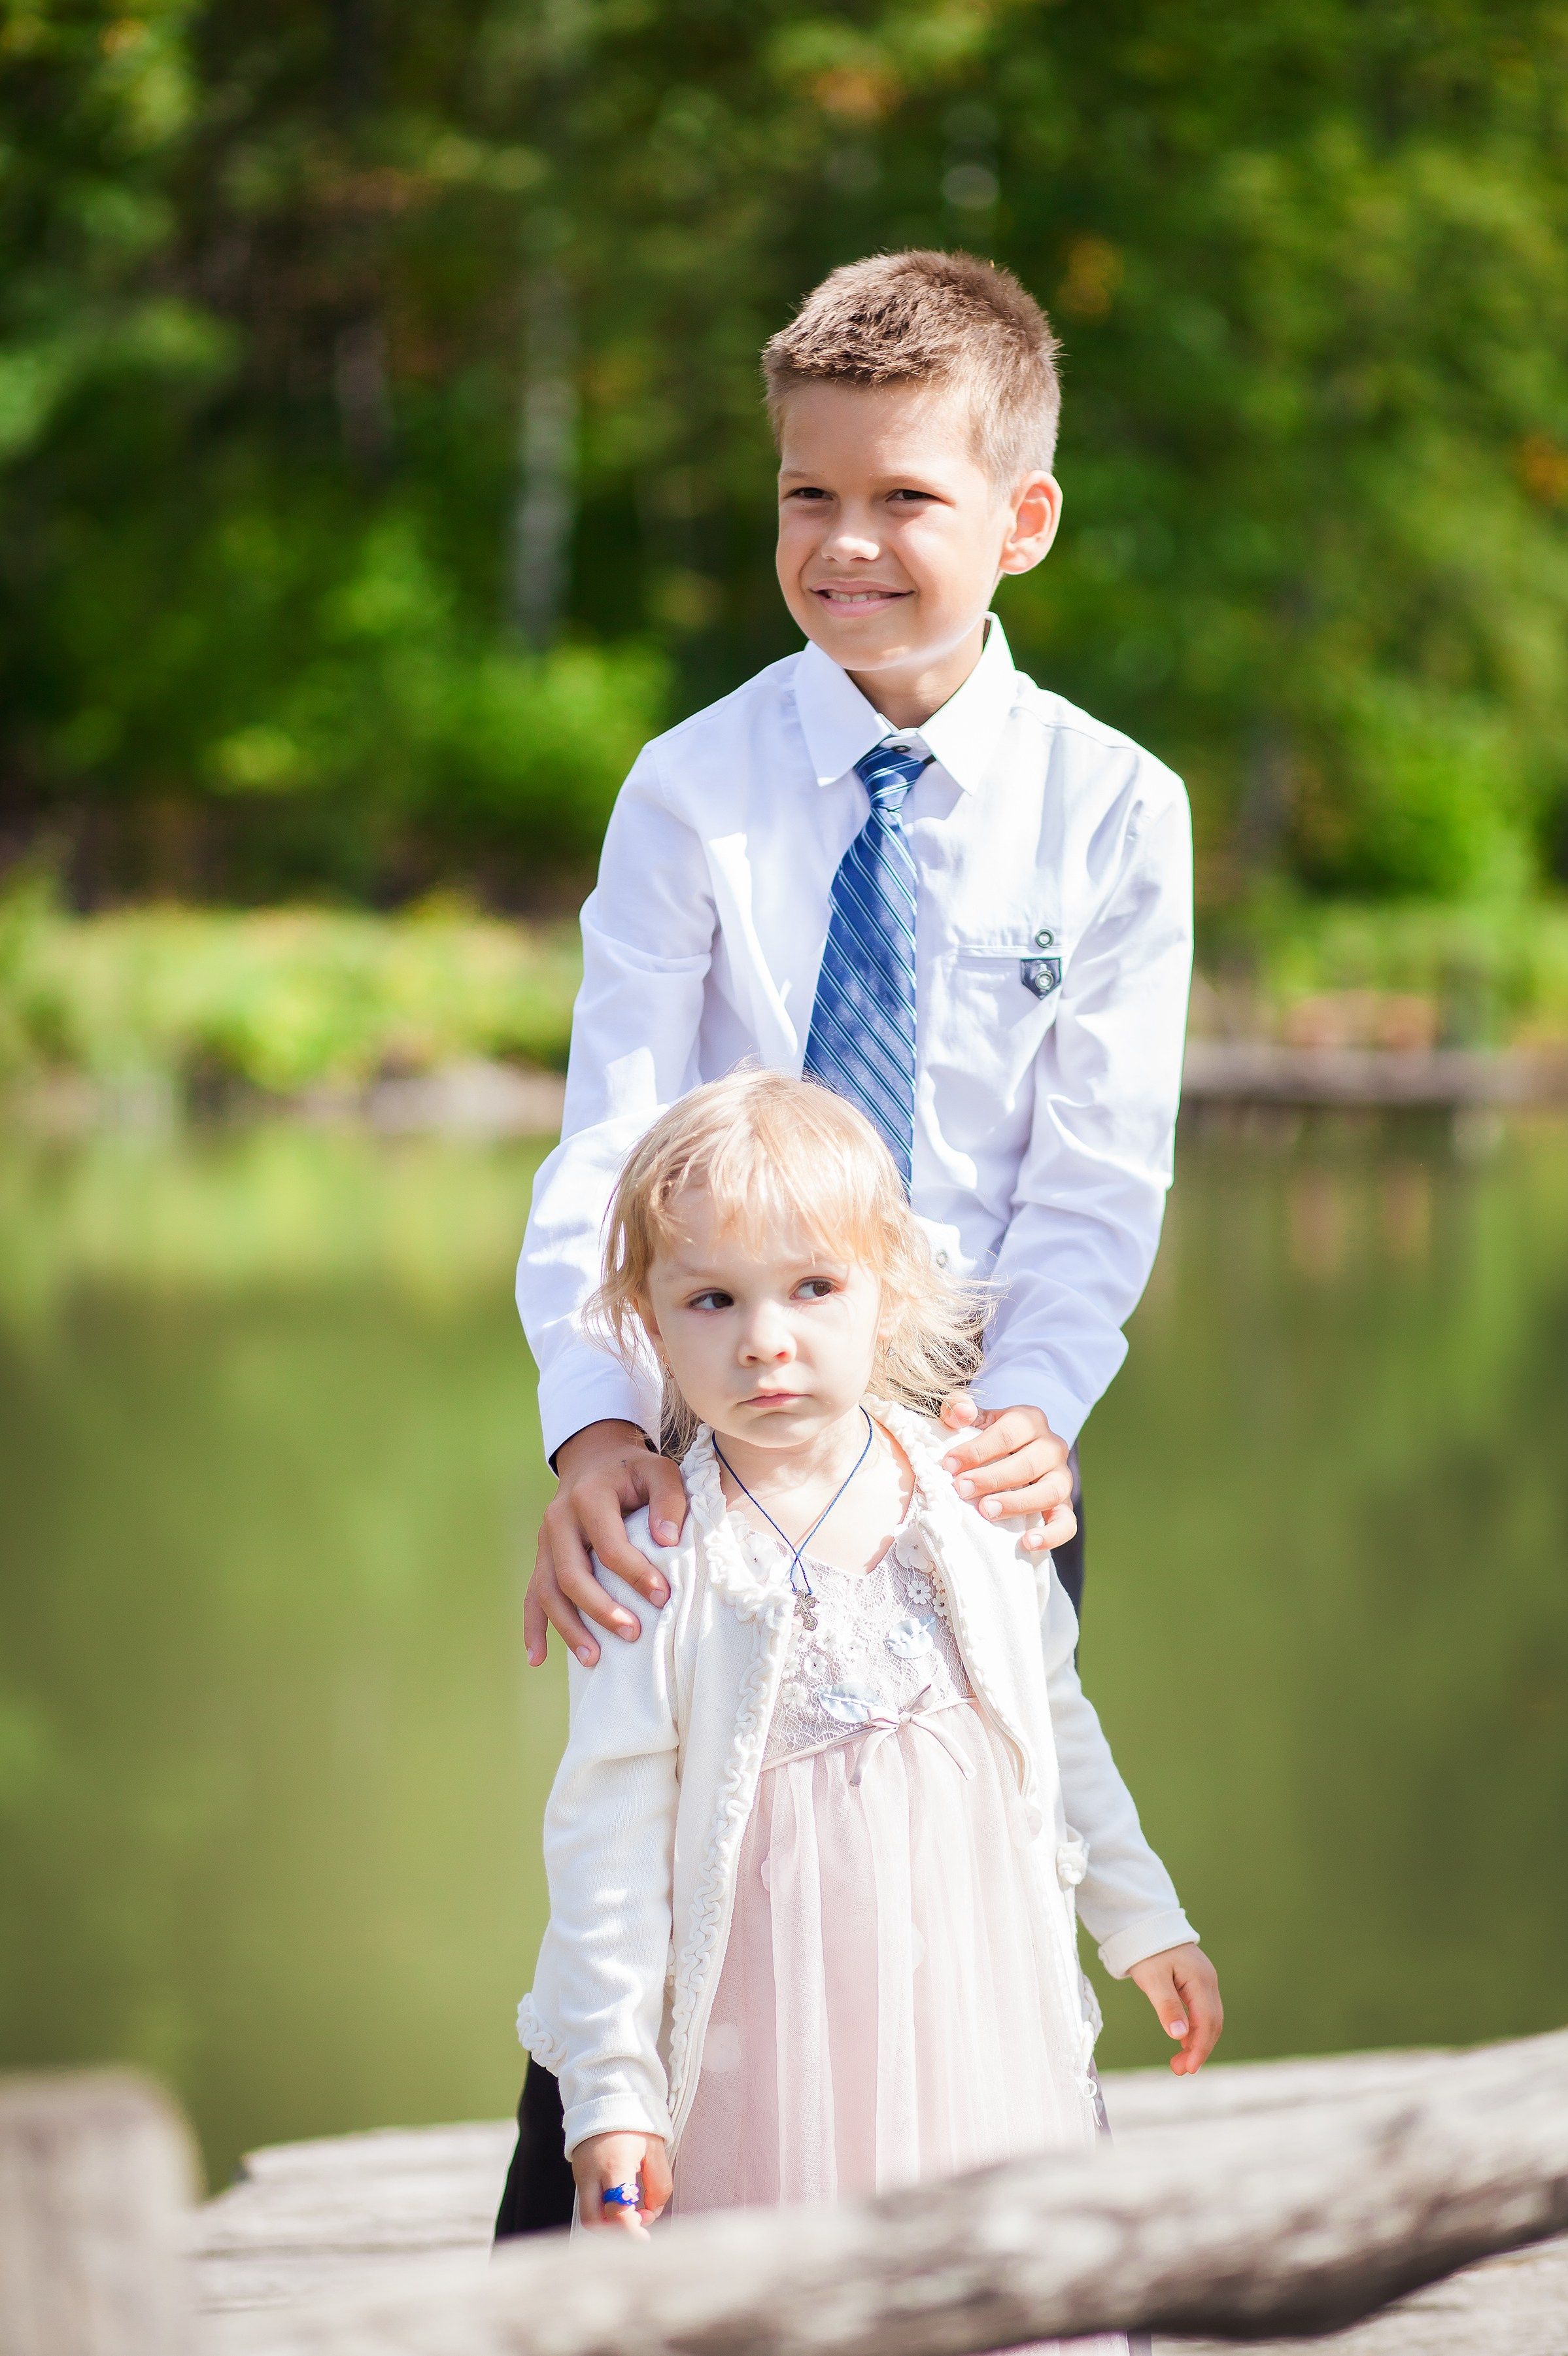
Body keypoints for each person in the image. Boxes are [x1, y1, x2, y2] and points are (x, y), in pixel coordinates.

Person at [500, 247, 1194, 2232]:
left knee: (963, 1905)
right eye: (809, 494)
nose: (849, 542)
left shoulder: (1110, 812)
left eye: (905, 496)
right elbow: (607, 1137)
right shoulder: (691, 788)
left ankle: (998, 2266)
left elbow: (1092, 1180)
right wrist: (590, 1425)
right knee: (645, 1873)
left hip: (970, 1442)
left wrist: (1042, 1406)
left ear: (1020, 520)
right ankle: (587, 2262)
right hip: (715, 1411)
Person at [517, 1073, 1221, 2348]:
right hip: (763, 2040)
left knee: (997, 2271)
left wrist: (1141, 1915)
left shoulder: (966, 1498)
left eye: (813, 1288)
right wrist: (612, 2096)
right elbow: (606, 1842)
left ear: (889, 1284)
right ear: (647, 1322)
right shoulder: (661, 1552)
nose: (763, 1339)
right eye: (710, 1299)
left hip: (969, 2005)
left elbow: (1055, 1727)